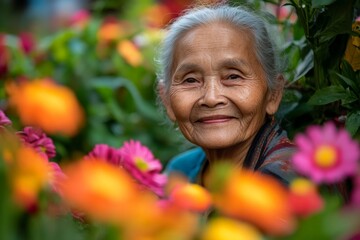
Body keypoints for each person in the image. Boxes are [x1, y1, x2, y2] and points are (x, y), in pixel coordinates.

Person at [156, 4, 297, 188]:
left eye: (233, 76)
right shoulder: (181, 172)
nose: (211, 98)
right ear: (167, 99)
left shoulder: (288, 183)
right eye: (191, 80)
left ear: (273, 94)